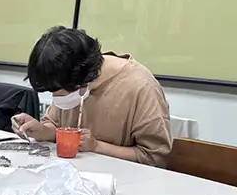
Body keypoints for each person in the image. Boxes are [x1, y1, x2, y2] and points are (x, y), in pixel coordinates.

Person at [13, 26, 172, 167]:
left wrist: (97, 146)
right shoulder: (68, 75)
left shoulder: (140, 87)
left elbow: (155, 157)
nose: (56, 97)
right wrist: (41, 131)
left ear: (83, 80)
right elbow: (55, 126)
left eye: (59, 91)